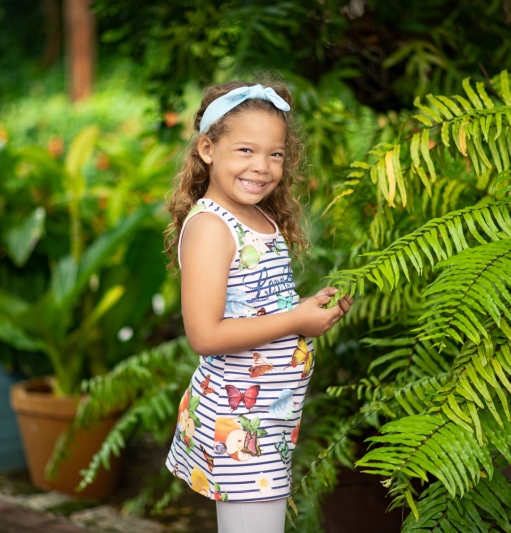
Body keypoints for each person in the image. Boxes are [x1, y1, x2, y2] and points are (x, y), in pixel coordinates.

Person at [163, 78, 353, 533]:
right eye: (245, 151)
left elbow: (256, 309)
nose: (263, 167)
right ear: (208, 149)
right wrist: (295, 319)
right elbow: (205, 335)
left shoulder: (259, 216)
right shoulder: (212, 226)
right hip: (239, 422)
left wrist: (305, 311)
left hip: (269, 414)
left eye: (275, 153)